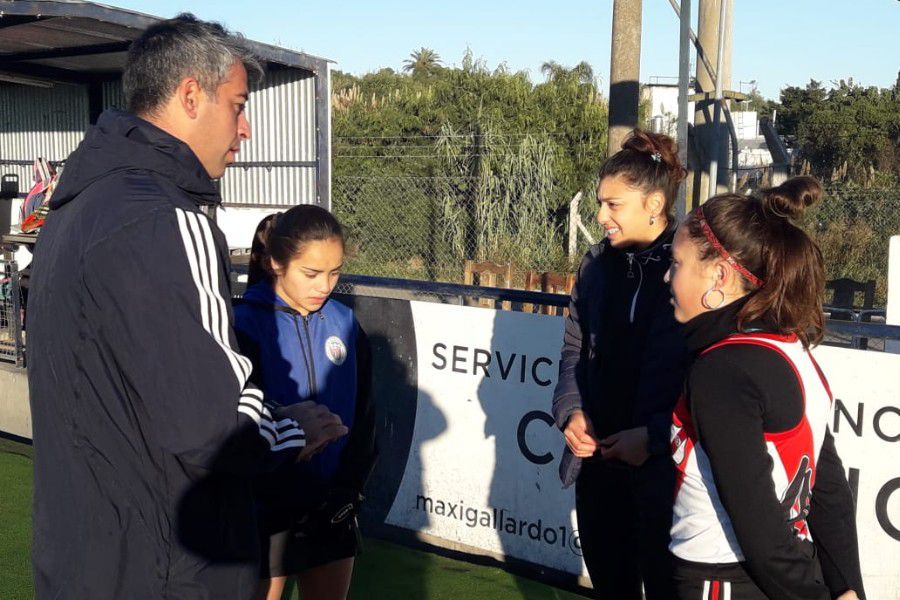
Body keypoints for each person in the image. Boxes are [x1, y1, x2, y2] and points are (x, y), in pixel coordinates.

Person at [26, 14, 347, 599]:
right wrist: (289, 428)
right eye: (238, 104)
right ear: (191, 95)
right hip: (166, 567)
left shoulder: (75, 209)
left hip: (83, 559)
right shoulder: (170, 217)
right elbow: (213, 426)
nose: (245, 127)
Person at [665, 177, 864, 599]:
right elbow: (829, 492)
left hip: (722, 579)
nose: (667, 276)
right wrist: (847, 586)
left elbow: (758, 524)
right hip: (780, 573)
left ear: (718, 275)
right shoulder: (791, 347)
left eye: (677, 263)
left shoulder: (721, 369)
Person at [552, 129, 688, 599]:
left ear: (654, 204)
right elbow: (574, 348)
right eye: (599, 202)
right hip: (597, 468)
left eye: (613, 204)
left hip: (668, 477)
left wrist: (651, 438)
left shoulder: (692, 267)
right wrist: (571, 412)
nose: (600, 215)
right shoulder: (594, 267)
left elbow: (704, 377)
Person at [234, 207, 376, 600]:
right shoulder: (242, 324)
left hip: (331, 506)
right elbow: (234, 423)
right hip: (265, 510)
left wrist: (349, 491)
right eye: (311, 274)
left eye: (335, 272)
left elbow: (365, 417)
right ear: (276, 263)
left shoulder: (346, 323)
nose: (325, 285)